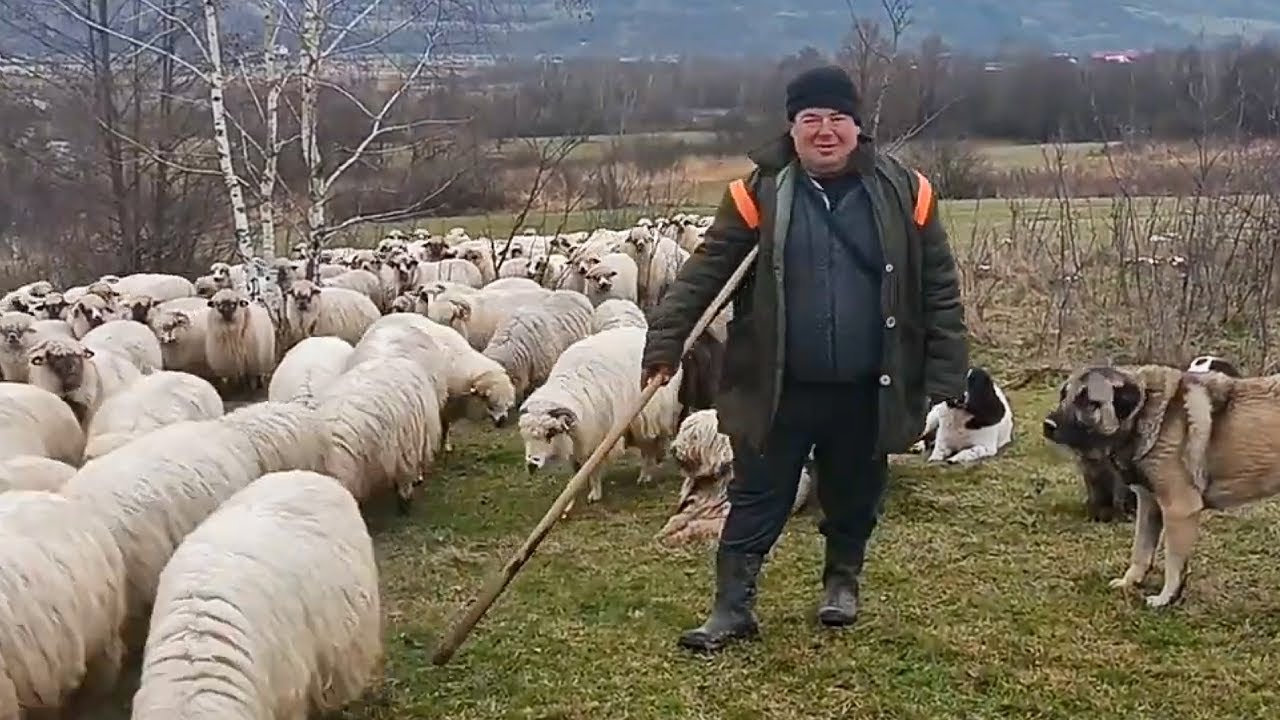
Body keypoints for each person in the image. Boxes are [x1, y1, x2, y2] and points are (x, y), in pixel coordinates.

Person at [640, 65, 969, 653]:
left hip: (870, 382)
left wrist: (946, 371)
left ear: (857, 126)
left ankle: (842, 583)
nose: (824, 130)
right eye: (810, 118)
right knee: (756, 496)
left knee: (855, 490)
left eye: (836, 118)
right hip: (778, 382)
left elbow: (938, 287)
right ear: (791, 128)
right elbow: (704, 275)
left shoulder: (908, 193)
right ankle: (732, 608)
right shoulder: (756, 194)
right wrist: (665, 341)